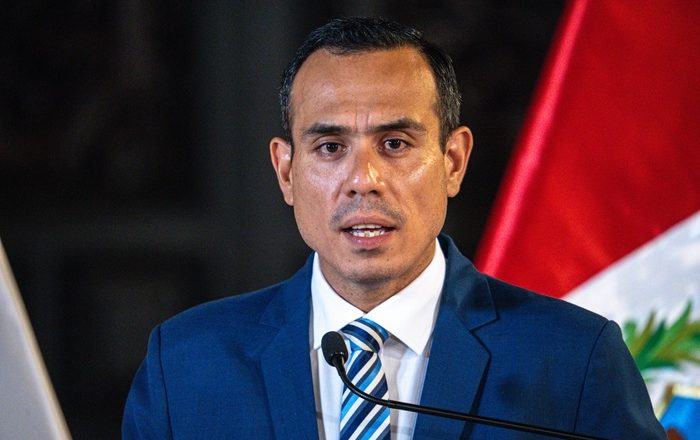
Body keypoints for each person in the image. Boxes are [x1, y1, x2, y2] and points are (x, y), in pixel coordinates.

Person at [122, 17, 665, 439]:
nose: (363, 180)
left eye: (395, 144)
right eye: (330, 147)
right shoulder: (187, 365)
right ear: (286, 172)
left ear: (453, 161)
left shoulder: (573, 359)